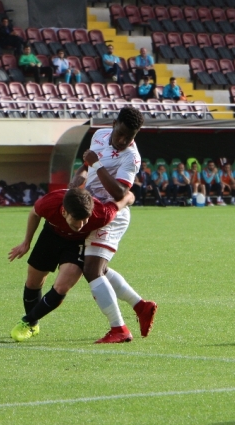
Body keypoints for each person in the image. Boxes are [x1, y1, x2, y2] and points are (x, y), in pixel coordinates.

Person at [71, 107, 157, 343]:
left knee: (91, 270)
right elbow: (86, 166)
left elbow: (121, 192)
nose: (122, 141)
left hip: (111, 213)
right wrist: (79, 178)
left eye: (129, 137)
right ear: (113, 123)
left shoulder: (132, 157)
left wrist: (96, 165)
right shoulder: (99, 135)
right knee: (100, 269)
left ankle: (118, 328)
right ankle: (141, 306)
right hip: (92, 210)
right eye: (120, 134)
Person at [8, 188, 135, 341]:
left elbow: (126, 198)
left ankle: (26, 322)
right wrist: (26, 242)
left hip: (77, 245)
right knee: (33, 282)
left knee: (62, 287)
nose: (81, 224)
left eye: (85, 219)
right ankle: (33, 324)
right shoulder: (50, 203)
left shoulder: (101, 214)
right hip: (52, 234)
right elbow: (34, 213)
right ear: (64, 212)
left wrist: (129, 195)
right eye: (77, 219)